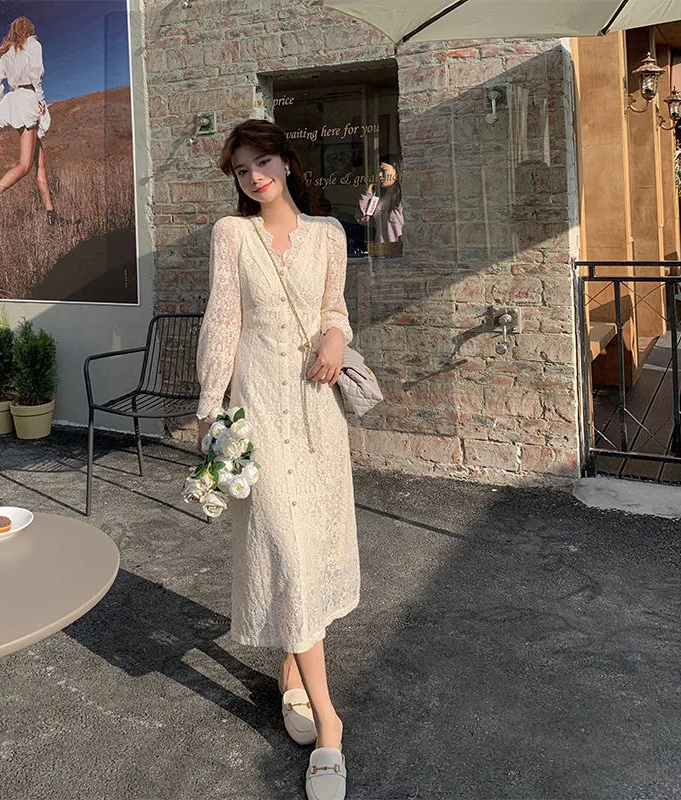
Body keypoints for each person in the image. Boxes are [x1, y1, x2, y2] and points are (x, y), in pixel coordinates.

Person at [196, 119, 359, 800]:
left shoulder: (329, 234)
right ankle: (330, 727)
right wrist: (209, 407)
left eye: (262, 162)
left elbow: (334, 308)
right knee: (286, 550)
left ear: (287, 163)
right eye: (242, 169)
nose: (254, 177)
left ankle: (293, 674)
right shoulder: (231, 235)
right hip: (259, 414)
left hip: (316, 418)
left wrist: (335, 337)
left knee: (309, 553)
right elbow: (223, 320)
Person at [0, 17, 70, 234]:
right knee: (25, 165)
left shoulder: (7, 54)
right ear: (28, 29)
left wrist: (6, 99)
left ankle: (51, 214)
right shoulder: (32, 44)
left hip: (17, 100)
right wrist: (40, 100)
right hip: (28, 100)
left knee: (40, 163)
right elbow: (36, 73)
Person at [355, 155, 404, 245]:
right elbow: (363, 218)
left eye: (383, 171)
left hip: (398, 249)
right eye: (378, 171)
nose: (379, 175)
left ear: (397, 172)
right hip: (381, 250)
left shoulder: (402, 197)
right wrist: (368, 192)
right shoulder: (380, 197)